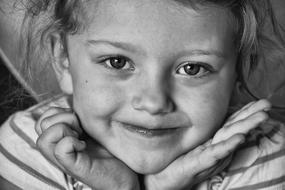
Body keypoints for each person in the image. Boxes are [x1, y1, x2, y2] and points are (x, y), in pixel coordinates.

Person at [0, 0, 284, 189]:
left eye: (192, 68)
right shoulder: (27, 148)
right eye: (117, 62)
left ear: (238, 70)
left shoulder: (264, 158)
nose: (153, 103)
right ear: (63, 59)